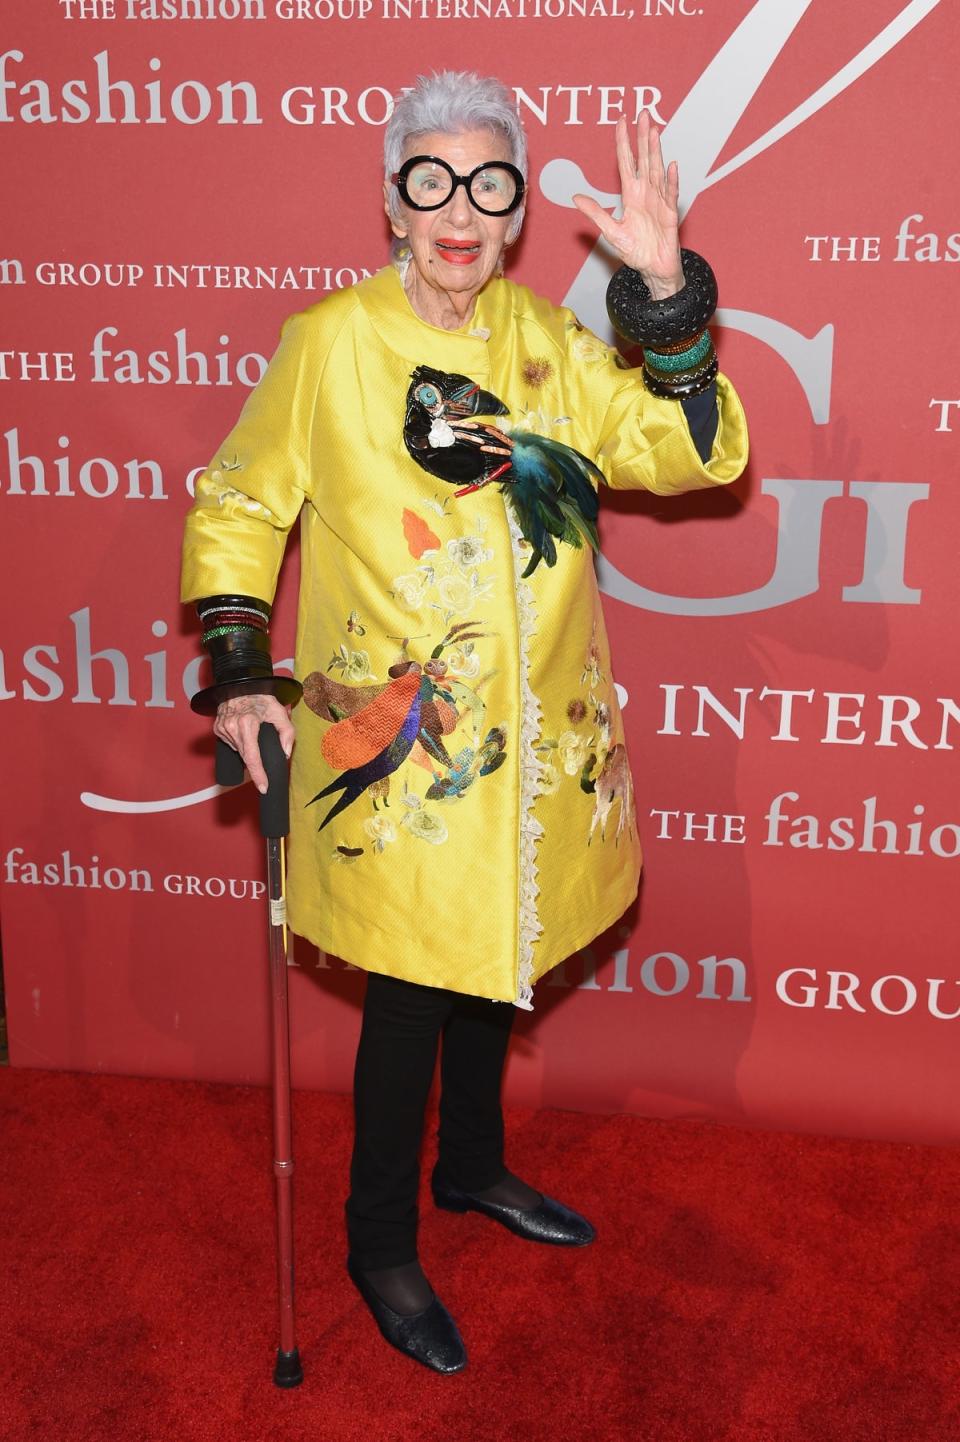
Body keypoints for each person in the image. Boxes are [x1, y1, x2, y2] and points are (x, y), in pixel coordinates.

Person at [180, 70, 748, 1374]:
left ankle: (472, 1167)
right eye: (429, 178)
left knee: (506, 942)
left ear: (513, 217)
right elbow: (237, 503)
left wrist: (664, 303)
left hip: (535, 743)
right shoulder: (330, 343)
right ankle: (378, 1241)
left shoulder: (551, 344)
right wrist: (240, 666)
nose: (457, 207)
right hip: (402, 746)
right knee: (414, 990)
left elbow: (692, 450)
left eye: (488, 183)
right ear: (391, 201)